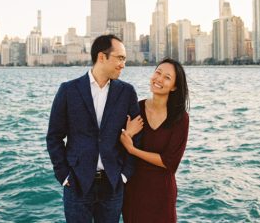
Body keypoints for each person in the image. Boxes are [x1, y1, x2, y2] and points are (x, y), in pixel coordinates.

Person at [46, 34, 142, 223]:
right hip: (77, 183)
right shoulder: (68, 90)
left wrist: (124, 175)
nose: (123, 64)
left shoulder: (127, 92)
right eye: (120, 58)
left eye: (124, 59)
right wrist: (64, 175)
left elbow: (137, 136)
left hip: (113, 183)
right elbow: (54, 137)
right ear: (101, 57)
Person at [121, 58, 190, 223]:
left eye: (167, 77)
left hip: (162, 193)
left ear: (174, 87)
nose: (159, 79)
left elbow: (170, 162)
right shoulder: (136, 108)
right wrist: (128, 134)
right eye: (158, 72)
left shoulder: (180, 118)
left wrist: (133, 150)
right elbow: (119, 145)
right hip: (134, 189)